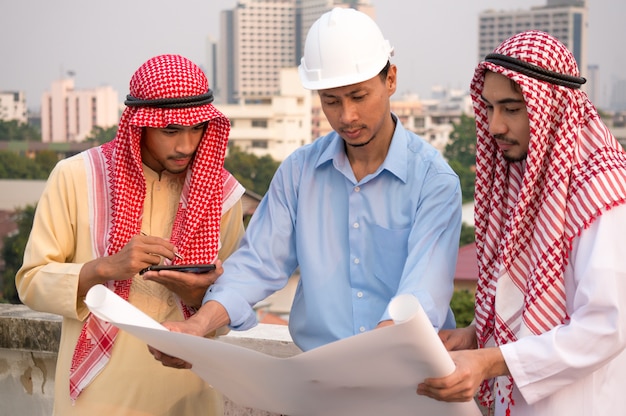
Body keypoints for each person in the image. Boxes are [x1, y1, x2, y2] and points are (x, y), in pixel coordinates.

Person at [151, 7, 461, 363]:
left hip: (405, 374)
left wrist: (368, 366)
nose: (346, 116)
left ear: (390, 79)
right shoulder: (299, 172)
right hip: (317, 379)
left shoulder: (433, 182)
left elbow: (422, 295)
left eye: (358, 97)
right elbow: (257, 264)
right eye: (331, 100)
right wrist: (199, 326)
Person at [16, 54, 245, 415]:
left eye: (197, 128)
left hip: (190, 396)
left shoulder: (221, 194)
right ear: (140, 125)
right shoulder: (77, 177)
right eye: (170, 131)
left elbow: (238, 293)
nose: (186, 145)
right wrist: (105, 268)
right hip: (98, 396)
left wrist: (199, 295)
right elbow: (31, 281)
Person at [417, 31, 626, 415]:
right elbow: (527, 299)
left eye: (511, 109)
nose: (495, 126)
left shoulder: (602, 190)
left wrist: (490, 361)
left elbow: (606, 326)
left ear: (552, 106)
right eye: (490, 108)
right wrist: (476, 337)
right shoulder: (525, 175)